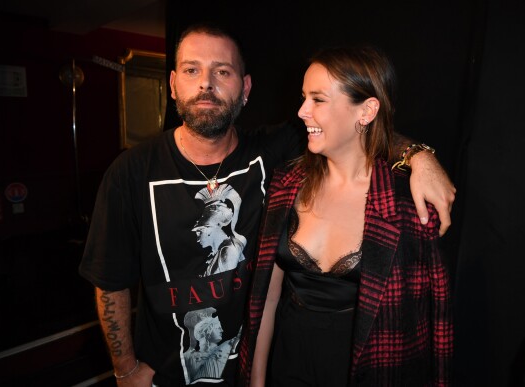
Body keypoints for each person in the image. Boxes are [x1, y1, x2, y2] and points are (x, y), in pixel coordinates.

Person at [79, 22, 455, 386]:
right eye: (192, 70)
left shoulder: (272, 154)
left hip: (247, 366)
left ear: (245, 89)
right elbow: (109, 281)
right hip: (169, 373)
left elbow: (358, 131)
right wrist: (125, 369)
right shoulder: (130, 172)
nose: (206, 83)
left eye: (222, 72)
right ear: (173, 84)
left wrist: (419, 155)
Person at [238, 46, 453, 386]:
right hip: (287, 367)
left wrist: (420, 156)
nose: (302, 111)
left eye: (318, 100)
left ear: (367, 111)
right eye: (303, 97)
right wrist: (256, 380)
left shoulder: (405, 205)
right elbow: (266, 296)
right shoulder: (286, 184)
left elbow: (429, 324)